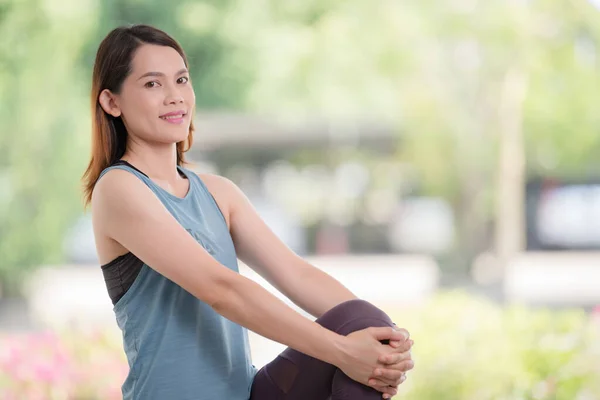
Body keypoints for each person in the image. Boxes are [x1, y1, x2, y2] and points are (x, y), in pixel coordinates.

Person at [82, 24, 414, 400]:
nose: (174, 97)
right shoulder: (119, 189)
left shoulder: (219, 194)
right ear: (112, 102)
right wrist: (343, 352)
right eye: (153, 85)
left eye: (181, 80)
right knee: (352, 345)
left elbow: (297, 274)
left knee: (363, 322)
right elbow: (221, 290)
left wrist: (389, 342)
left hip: (249, 393)